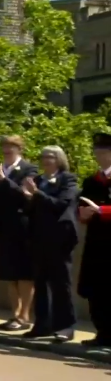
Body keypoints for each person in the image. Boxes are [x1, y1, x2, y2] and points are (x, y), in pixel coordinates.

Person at [20, 145, 78, 343]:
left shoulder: (67, 180)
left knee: (61, 284)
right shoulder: (37, 180)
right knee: (40, 283)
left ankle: (66, 327)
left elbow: (61, 204)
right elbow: (29, 210)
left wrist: (37, 194)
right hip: (38, 238)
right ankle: (42, 324)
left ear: (59, 159)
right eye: (43, 156)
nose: (46, 160)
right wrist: (27, 198)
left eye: (51, 157)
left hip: (59, 239)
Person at [0, 135, 37, 331]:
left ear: (19, 149)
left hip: (21, 226)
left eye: (11, 147)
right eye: (4, 147)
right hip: (1, 227)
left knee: (24, 273)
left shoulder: (29, 169)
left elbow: (24, 195)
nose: (6, 151)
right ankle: (15, 313)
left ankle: (24, 315)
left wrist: (5, 181)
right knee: (8, 273)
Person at [76, 132, 111, 347]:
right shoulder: (91, 181)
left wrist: (101, 211)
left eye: (103, 151)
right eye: (96, 151)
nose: (98, 155)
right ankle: (103, 333)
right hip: (96, 243)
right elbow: (80, 209)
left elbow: (100, 208)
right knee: (96, 290)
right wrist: (84, 215)